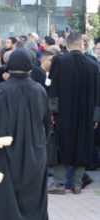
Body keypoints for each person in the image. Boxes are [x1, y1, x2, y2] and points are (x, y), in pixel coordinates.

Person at [0, 47, 50, 220]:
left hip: (6, 156)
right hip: (35, 153)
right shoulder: (39, 90)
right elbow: (46, 124)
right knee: (33, 199)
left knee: (5, 201)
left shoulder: (0, 91)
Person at [48, 33, 100, 195]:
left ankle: (59, 184)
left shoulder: (59, 61)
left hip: (64, 112)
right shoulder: (93, 64)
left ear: (67, 45)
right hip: (87, 113)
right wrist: (96, 116)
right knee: (82, 146)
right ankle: (77, 184)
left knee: (61, 146)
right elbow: (98, 93)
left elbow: (53, 88)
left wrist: (52, 112)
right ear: (82, 45)